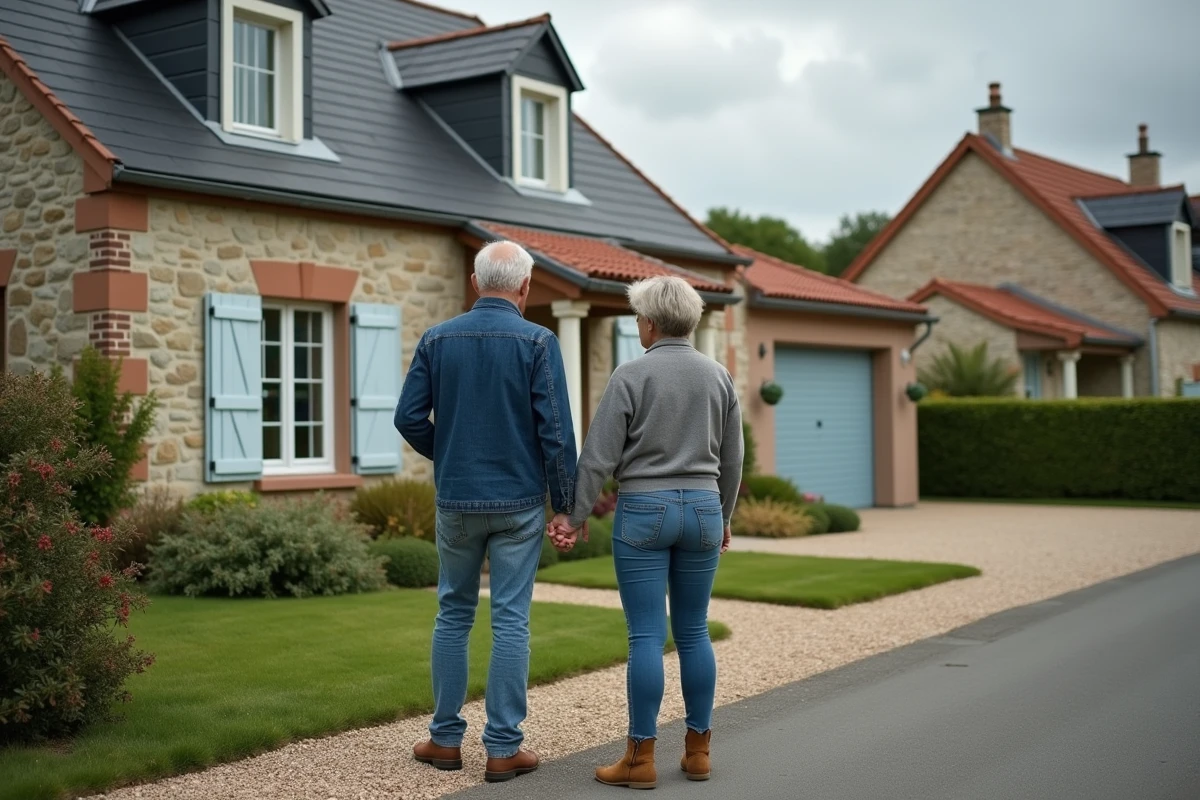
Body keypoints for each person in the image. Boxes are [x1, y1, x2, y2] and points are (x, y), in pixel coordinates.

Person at [548, 275, 743, 790]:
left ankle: (640, 761)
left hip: (644, 509)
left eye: (638, 317)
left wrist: (574, 515)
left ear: (651, 322)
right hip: (702, 508)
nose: (638, 324)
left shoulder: (631, 375)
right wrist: (724, 515)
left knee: (645, 636)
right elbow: (733, 457)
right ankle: (698, 752)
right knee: (695, 630)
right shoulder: (719, 375)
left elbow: (598, 455)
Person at [395, 240, 577, 784]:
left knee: (452, 613)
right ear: (525, 287)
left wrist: (448, 452)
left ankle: (445, 740)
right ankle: (502, 748)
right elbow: (558, 435)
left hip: (456, 500)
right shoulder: (540, 341)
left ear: (476, 283)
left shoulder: (437, 338)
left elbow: (408, 418)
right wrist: (565, 506)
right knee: (510, 618)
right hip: (520, 503)